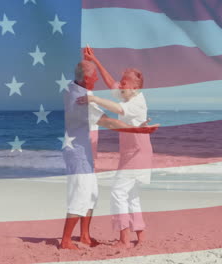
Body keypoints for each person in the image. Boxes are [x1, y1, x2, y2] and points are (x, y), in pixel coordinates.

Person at [60, 59, 158, 250]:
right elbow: (109, 120)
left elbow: (117, 111)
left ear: (134, 87)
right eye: (93, 76)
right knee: (88, 193)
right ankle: (67, 240)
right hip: (88, 152)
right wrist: (95, 60)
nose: (117, 85)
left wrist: (95, 96)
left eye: (123, 83)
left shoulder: (129, 101)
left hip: (135, 152)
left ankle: (110, 238)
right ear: (87, 79)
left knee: (110, 193)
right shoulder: (90, 99)